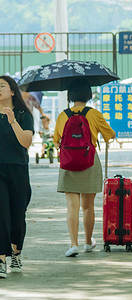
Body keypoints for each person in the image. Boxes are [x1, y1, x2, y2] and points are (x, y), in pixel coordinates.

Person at [53, 78, 116, 257]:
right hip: (89, 161)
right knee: (88, 206)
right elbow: (110, 134)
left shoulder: (63, 115)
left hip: (68, 162)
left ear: (70, 95)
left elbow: (56, 140)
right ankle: (88, 243)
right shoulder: (94, 114)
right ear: (88, 94)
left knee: (72, 207)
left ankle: (73, 244)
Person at [0, 75, 34, 278]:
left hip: (18, 169)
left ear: (12, 91)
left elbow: (26, 142)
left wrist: (12, 122)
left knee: (17, 216)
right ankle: (1, 259)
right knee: (1, 213)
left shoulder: (23, 114)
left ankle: (16, 252)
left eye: (2, 86)